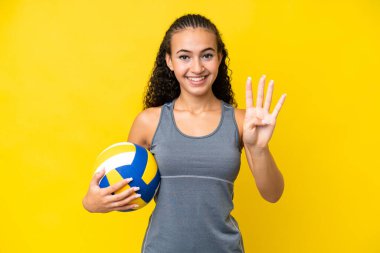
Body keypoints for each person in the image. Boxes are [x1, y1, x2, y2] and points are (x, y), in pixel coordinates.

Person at [83, 14, 286, 253]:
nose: (197, 67)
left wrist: (258, 148)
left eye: (207, 55)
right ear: (169, 61)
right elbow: (126, 190)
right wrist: (92, 202)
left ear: (219, 58)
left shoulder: (242, 121)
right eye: (184, 57)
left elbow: (273, 194)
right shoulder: (149, 121)